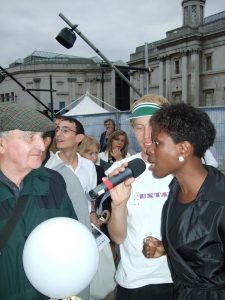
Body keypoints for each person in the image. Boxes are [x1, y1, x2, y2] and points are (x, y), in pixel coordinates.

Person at [143, 103, 225, 299]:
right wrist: (169, 250)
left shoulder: (220, 203)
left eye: (157, 143)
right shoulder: (175, 190)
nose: (149, 151)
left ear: (184, 149)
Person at [0, 103, 77, 300]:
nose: (42, 146)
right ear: (1, 144)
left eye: (41, 137)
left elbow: (72, 240)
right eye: (29, 138)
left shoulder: (53, 182)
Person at [106, 95, 174, 300]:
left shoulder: (184, 169)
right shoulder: (120, 171)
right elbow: (117, 237)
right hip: (133, 280)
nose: (146, 135)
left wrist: (167, 248)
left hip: (177, 277)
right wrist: (119, 204)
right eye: (139, 127)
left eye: (154, 124)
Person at [45, 115, 98, 225]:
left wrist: (93, 212)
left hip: (85, 225)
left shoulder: (89, 166)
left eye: (65, 130)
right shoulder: (49, 168)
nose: (58, 134)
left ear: (79, 138)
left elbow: (90, 196)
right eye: (57, 130)